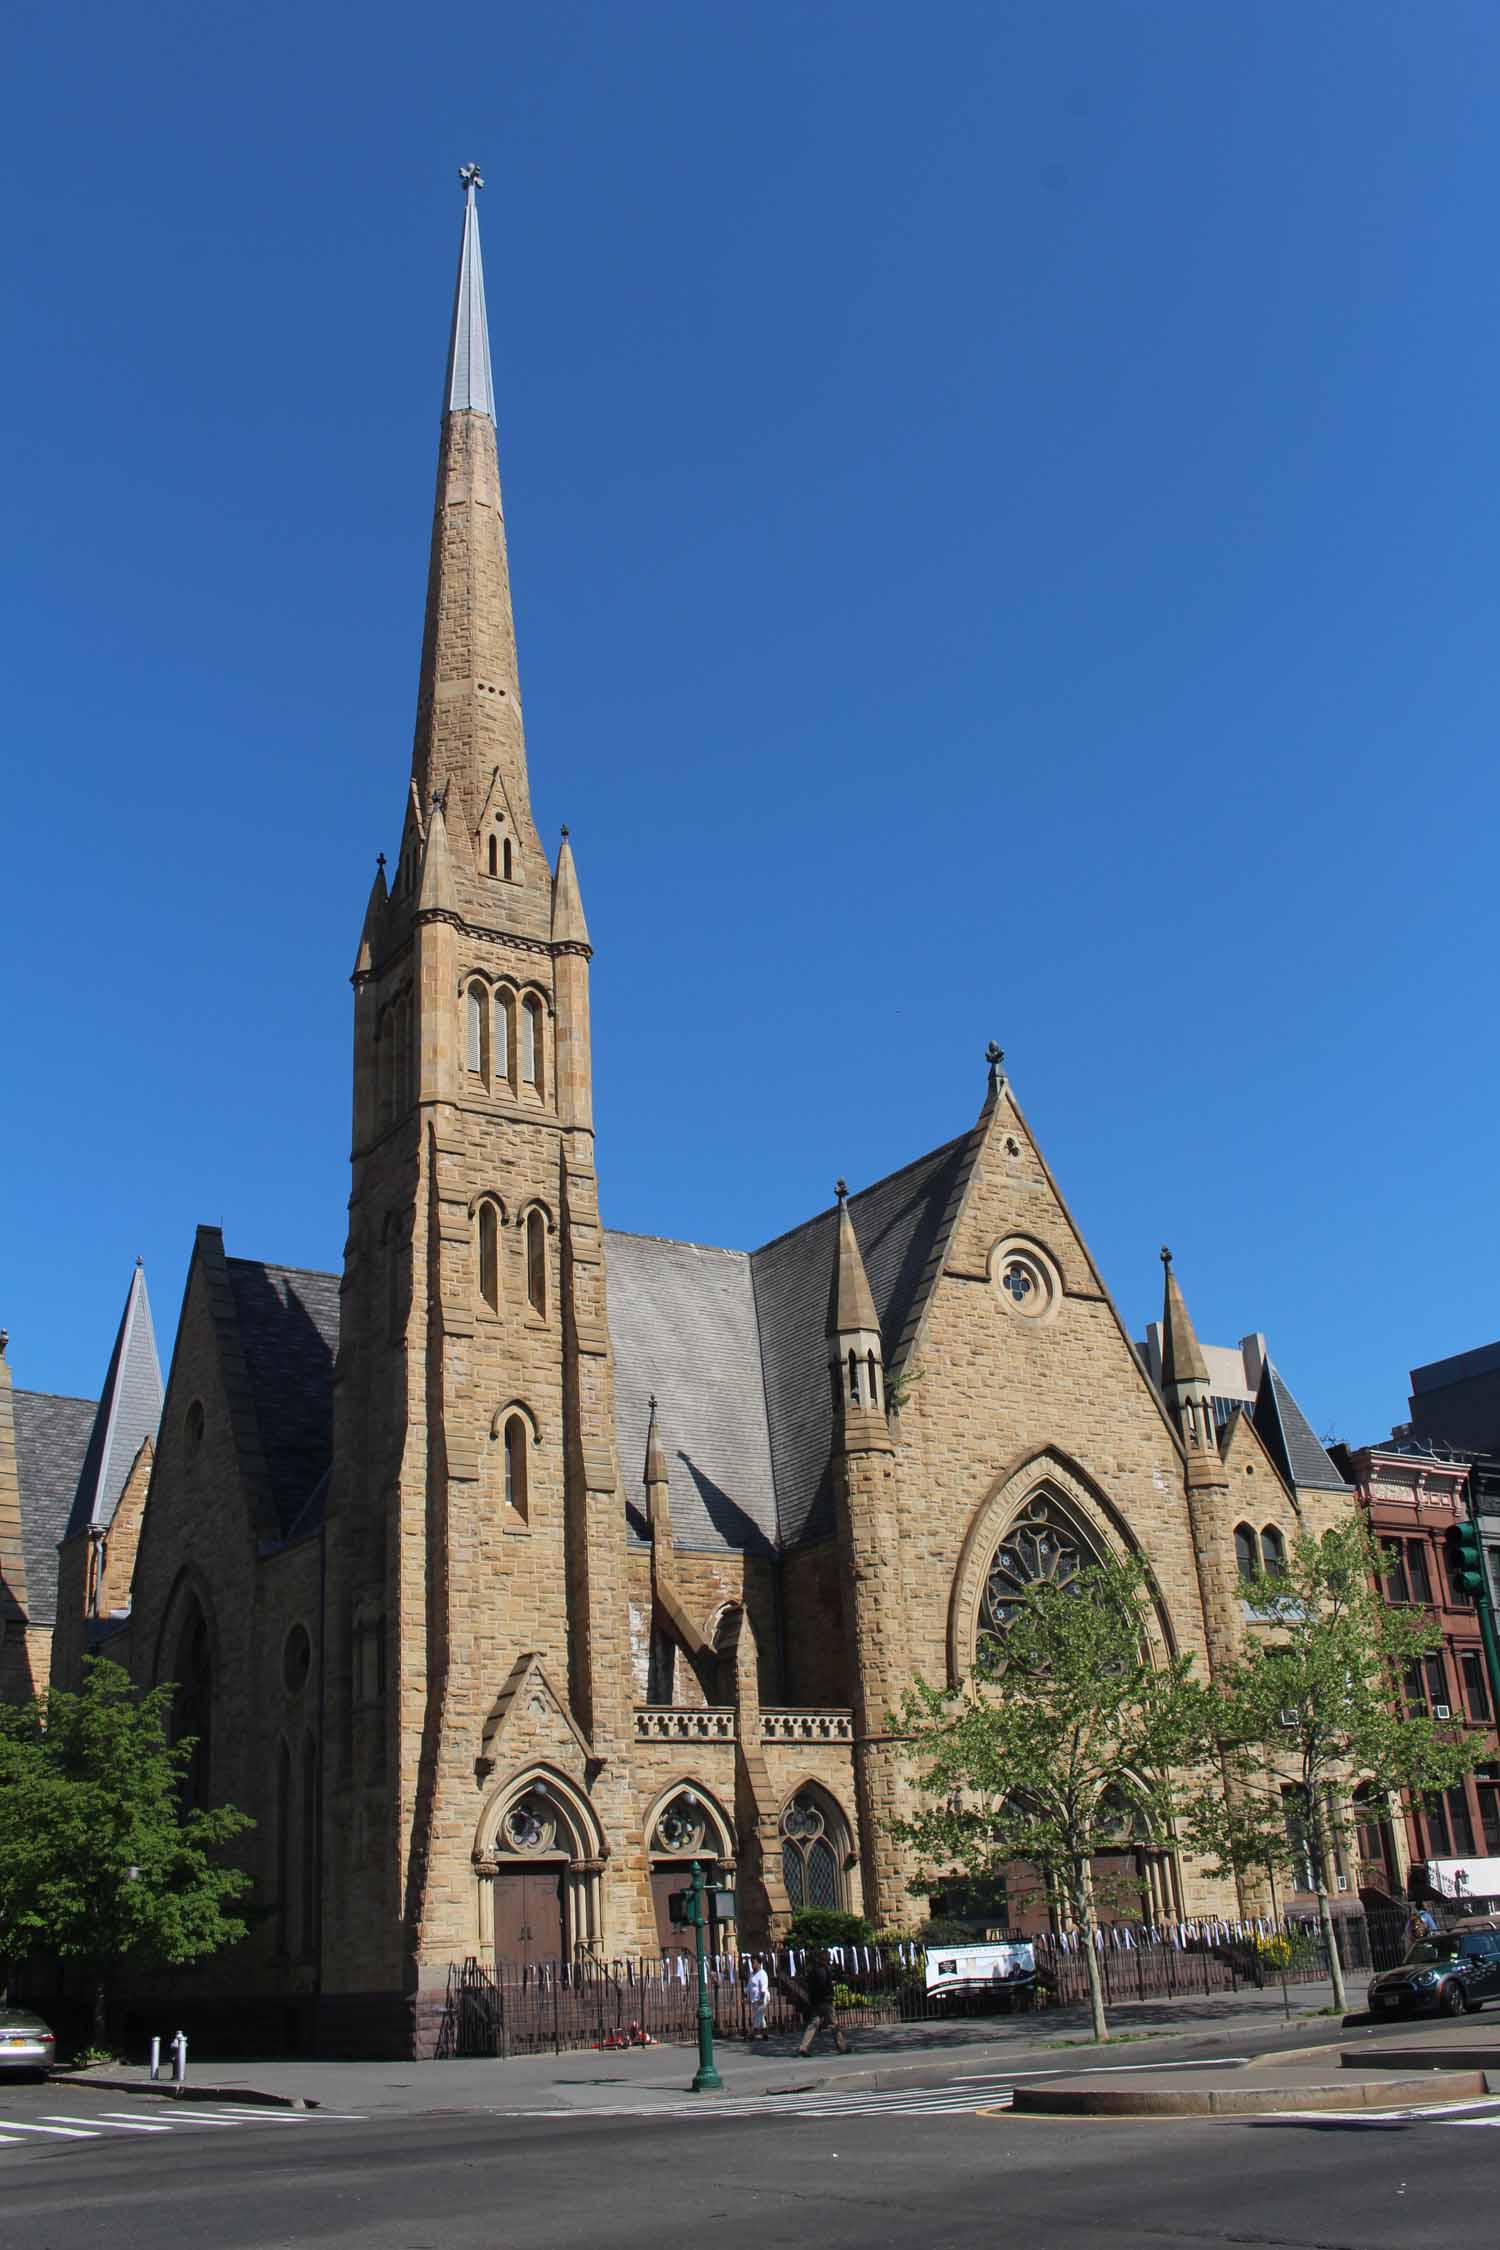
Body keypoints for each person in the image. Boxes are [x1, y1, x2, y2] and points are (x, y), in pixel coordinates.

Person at [796, 1949, 848, 2056]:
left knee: (813, 2024)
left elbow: (810, 1985)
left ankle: (803, 2047)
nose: (829, 1961)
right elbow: (825, 1985)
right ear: (825, 1960)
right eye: (828, 1959)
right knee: (834, 2024)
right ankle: (842, 2047)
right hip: (825, 2001)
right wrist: (832, 1984)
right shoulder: (825, 1970)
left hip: (815, 2001)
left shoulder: (813, 1971)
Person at [746, 1956, 770, 2041]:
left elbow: (764, 1987)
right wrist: (745, 1996)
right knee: (760, 2016)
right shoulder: (752, 1974)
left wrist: (761, 1999)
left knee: (757, 2017)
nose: (752, 1964)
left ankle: (752, 2034)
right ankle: (765, 2034)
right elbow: (749, 1986)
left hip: (762, 1998)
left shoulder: (762, 1974)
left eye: (754, 1962)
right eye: (751, 1962)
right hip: (754, 1999)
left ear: (759, 1963)